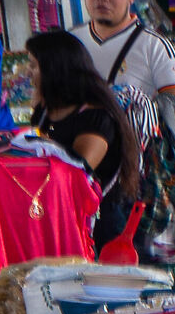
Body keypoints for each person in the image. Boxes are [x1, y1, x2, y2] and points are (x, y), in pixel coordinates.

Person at [27, 31, 141, 247]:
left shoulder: (96, 118)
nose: (28, 72)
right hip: (59, 219)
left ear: (54, 69)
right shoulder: (44, 112)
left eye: (34, 66)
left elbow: (78, 173)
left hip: (98, 228)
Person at [69, 0, 175, 127]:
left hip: (132, 153)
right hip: (77, 152)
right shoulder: (69, 42)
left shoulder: (155, 46)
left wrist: (137, 106)